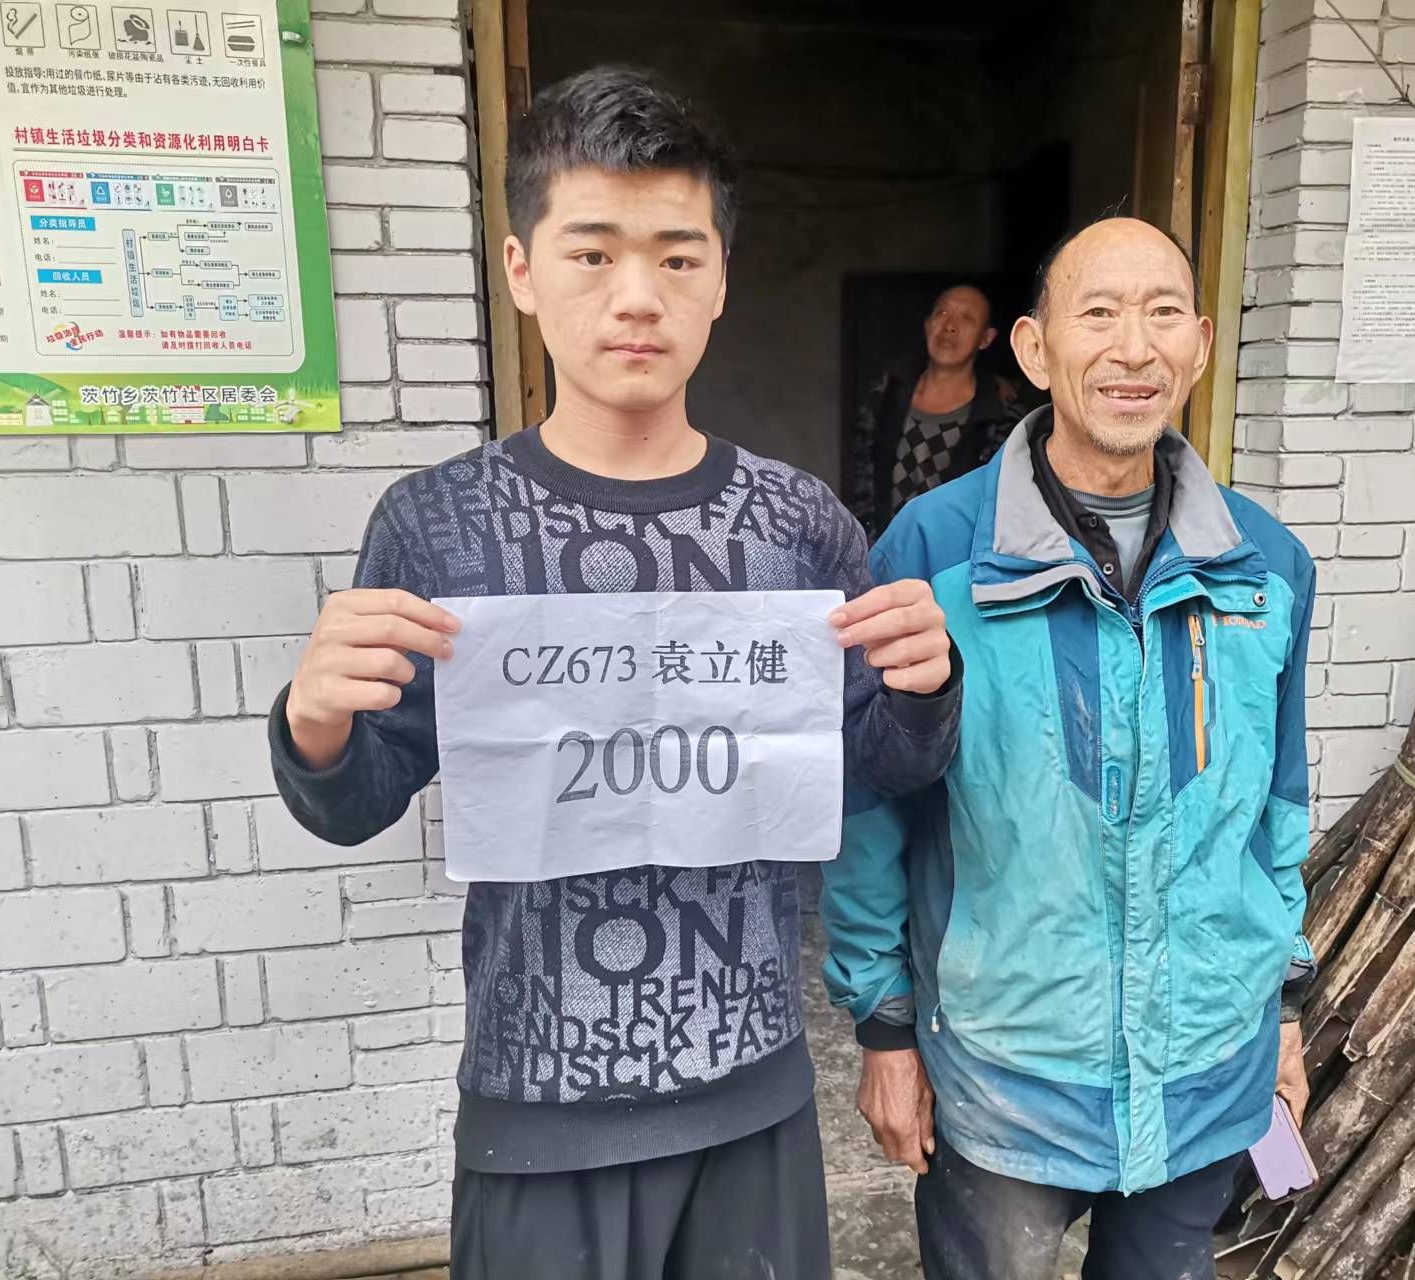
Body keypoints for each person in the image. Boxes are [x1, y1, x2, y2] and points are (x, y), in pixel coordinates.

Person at [270, 66, 961, 1280]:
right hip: (535, 1108)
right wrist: (315, 721)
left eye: (676, 257)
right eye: (591, 253)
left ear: (719, 278)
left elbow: (864, 769)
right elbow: (359, 795)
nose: (636, 296)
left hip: (753, 1091)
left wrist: (923, 686)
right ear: (521, 268)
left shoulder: (796, 524)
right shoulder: (440, 526)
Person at [822, 216, 1316, 1280]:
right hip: (1007, 1073)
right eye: (1098, 314)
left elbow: (1277, 804)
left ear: (1199, 348)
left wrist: (1280, 1004)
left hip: (1204, 1063)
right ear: (1035, 349)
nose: (1133, 348)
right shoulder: (934, 551)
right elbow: (868, 803)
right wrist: (884, 1026)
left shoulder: (1265, 564)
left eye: (1162, 314)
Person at [847, 284, 1025, 538]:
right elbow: (860, 487)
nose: (950, 326)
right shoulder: (886, 396)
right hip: (883, 555)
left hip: (959, 560)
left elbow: (1005, 508)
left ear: (986, 338)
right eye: (942, 313)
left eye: (967, 318)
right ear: (927, 325)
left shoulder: (1001, 415)